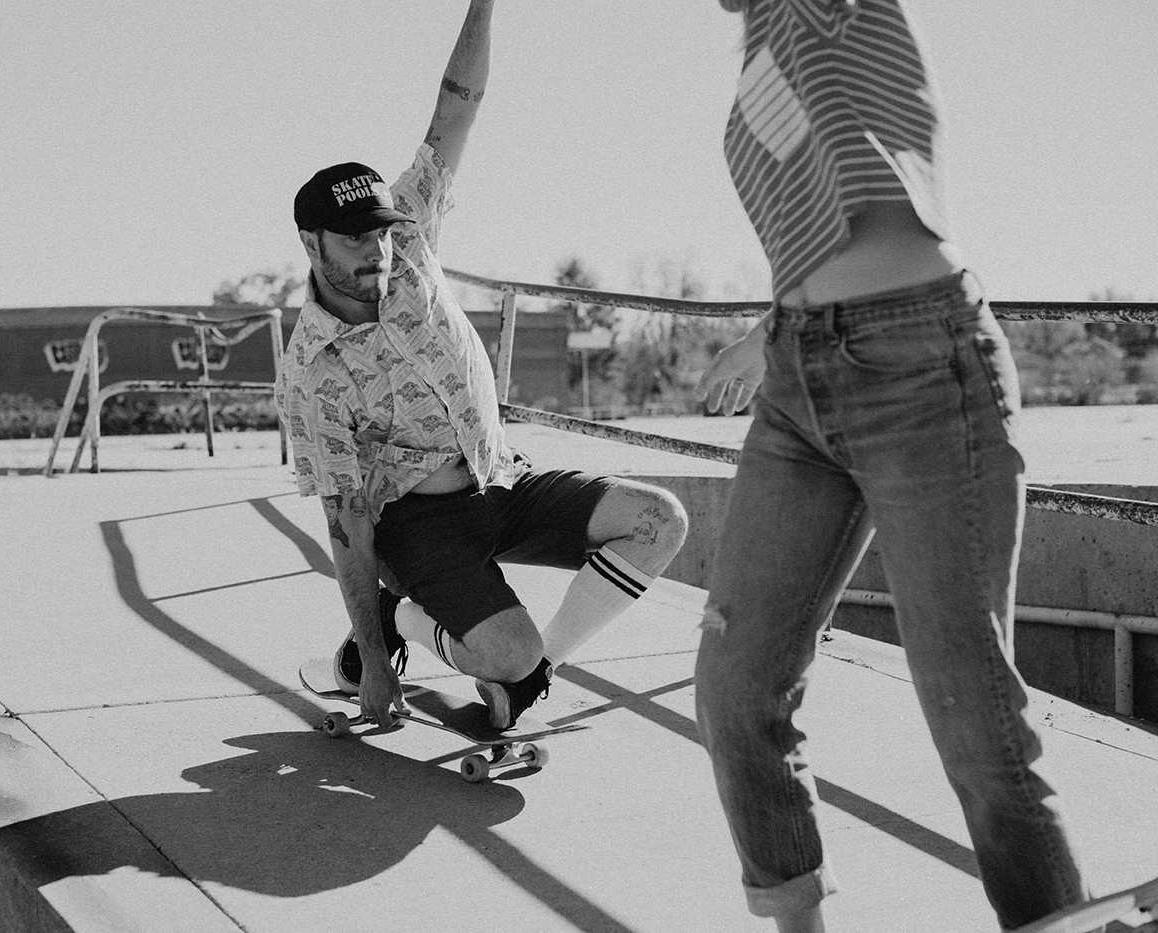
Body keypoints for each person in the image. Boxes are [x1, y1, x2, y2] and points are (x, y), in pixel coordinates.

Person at [689, 1, 1092, 931]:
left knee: (973, 715)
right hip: (801, 374)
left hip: (923, 366)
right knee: (737, 687)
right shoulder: (759, 40)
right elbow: (826, 201)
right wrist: (772, 331)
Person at [278, 0, 688, 732]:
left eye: (380, 235)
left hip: (502, 478)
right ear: (312, 246)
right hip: (419, 525)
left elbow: (455, 110)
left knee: (661, 521)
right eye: (353, 241)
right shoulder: (312, 371)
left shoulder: (410, 229)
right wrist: (373, 658)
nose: (376, 254)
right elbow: (344, 521)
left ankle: (534, 675)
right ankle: (400, 619)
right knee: (501, 647)